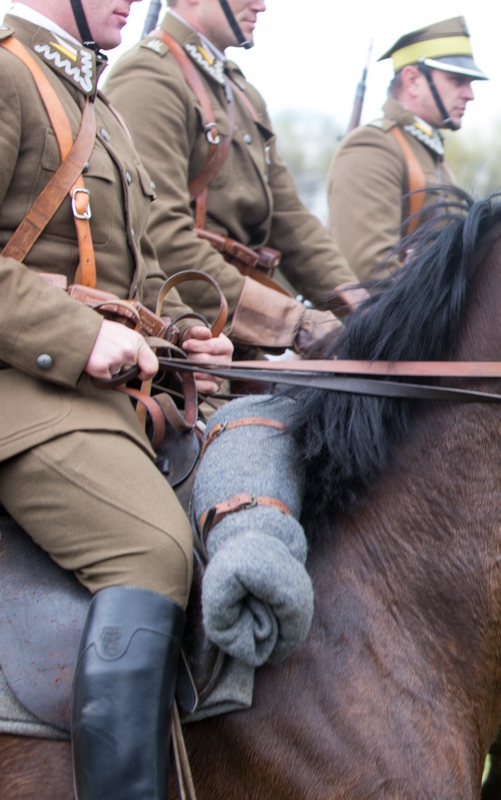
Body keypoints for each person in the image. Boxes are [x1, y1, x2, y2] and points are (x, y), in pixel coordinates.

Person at [0, 0, 233, 794]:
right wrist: (76, 337)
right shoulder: (7, 73)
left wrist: (185, 332)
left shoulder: (89, 97)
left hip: (99, 388)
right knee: (153, 550)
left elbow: (116, 273)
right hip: (19, 386)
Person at [104, 0, 364, 355]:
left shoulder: (239, 91)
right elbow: (155, 231)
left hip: (241, 334)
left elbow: (291, 220)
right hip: (180, 340)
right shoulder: (150, 77)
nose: (261, 5)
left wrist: (368, 310)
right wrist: (292, 322)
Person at [326, 16, 487, 280]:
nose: (470, 94)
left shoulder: (428, 152)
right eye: (457, 80)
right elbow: (370, 272)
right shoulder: (374, 147)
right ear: (412, 79)